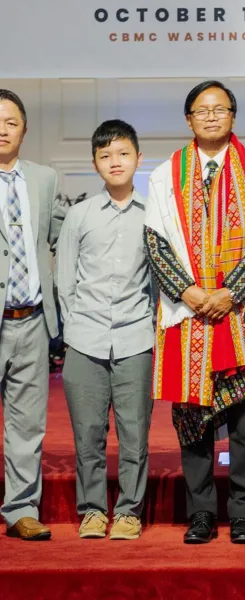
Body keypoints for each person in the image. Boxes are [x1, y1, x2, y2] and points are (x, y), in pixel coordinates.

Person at [144, 80, 245, 544]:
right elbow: (155, 241)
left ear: (233, 116)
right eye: (201, 110)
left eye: (219, 109)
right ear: (188, 119)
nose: (210, 116)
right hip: (187, 316)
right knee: (192, 420)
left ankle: (243, 513)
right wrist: (187, 291)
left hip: (243, 315)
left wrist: (230, 293)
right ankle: (201, 513)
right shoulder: (166, 174)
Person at [56, 120, 155, 540]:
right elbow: (65, 281)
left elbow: (157, 282)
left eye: (123, 153)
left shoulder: (153, 216)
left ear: (138, 158)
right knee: (88, 435)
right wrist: (77, 329)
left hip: (136, 339)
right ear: (95, 163)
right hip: (85, 340)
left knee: (135, 434)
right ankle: (93, 511)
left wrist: (149, 326)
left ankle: (129, 511)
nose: (115, 162)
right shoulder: (79, 215)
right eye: (105, 155)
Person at [0, 89, 65, 540]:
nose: (2, 129)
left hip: (33, 320)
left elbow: (64, 237)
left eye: (11, 122)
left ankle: (21, 509)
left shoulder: (44, 179)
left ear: (24, 129)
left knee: (27, 424)